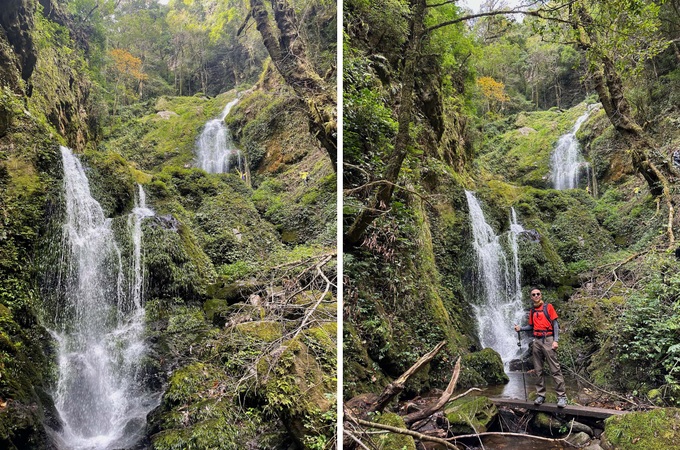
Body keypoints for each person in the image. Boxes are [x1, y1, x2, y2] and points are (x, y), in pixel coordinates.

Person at [514, 288, 567, 408]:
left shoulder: (548, 307)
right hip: (537, 341)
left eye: (538, 294)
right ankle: (541, 395)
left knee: (555, 369)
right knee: (538, 370)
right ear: (531, 297)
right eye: (534, 294)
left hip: (548, 339)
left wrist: (556, 340)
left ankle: (562, 397)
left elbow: (555, 324)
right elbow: (531, 326)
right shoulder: (532, 311)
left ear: (541, 295)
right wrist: (520, 328)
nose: (536, 296)